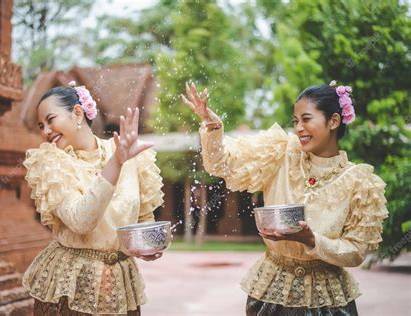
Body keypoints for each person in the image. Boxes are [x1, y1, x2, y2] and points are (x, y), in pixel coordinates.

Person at [182, 81, 388, 315]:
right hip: (271, 292)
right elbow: (223, 164)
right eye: (295, 121)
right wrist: (211, 125)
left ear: (333, 121)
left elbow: (356, 252)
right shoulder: (281, 153)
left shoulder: (360, 182)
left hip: (328, 302)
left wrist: (312, 240)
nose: (299, 128)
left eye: (307, 119)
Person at [22, 81, 164, 315]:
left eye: (51, 120)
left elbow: (143, 218)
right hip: (71, 285)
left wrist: (146, 245)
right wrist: (116, 164)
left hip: (121, 285)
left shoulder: (129, 153)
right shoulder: (51, 164)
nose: (46, 131)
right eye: (41, 125)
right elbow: (81, 221)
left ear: (77, 113)